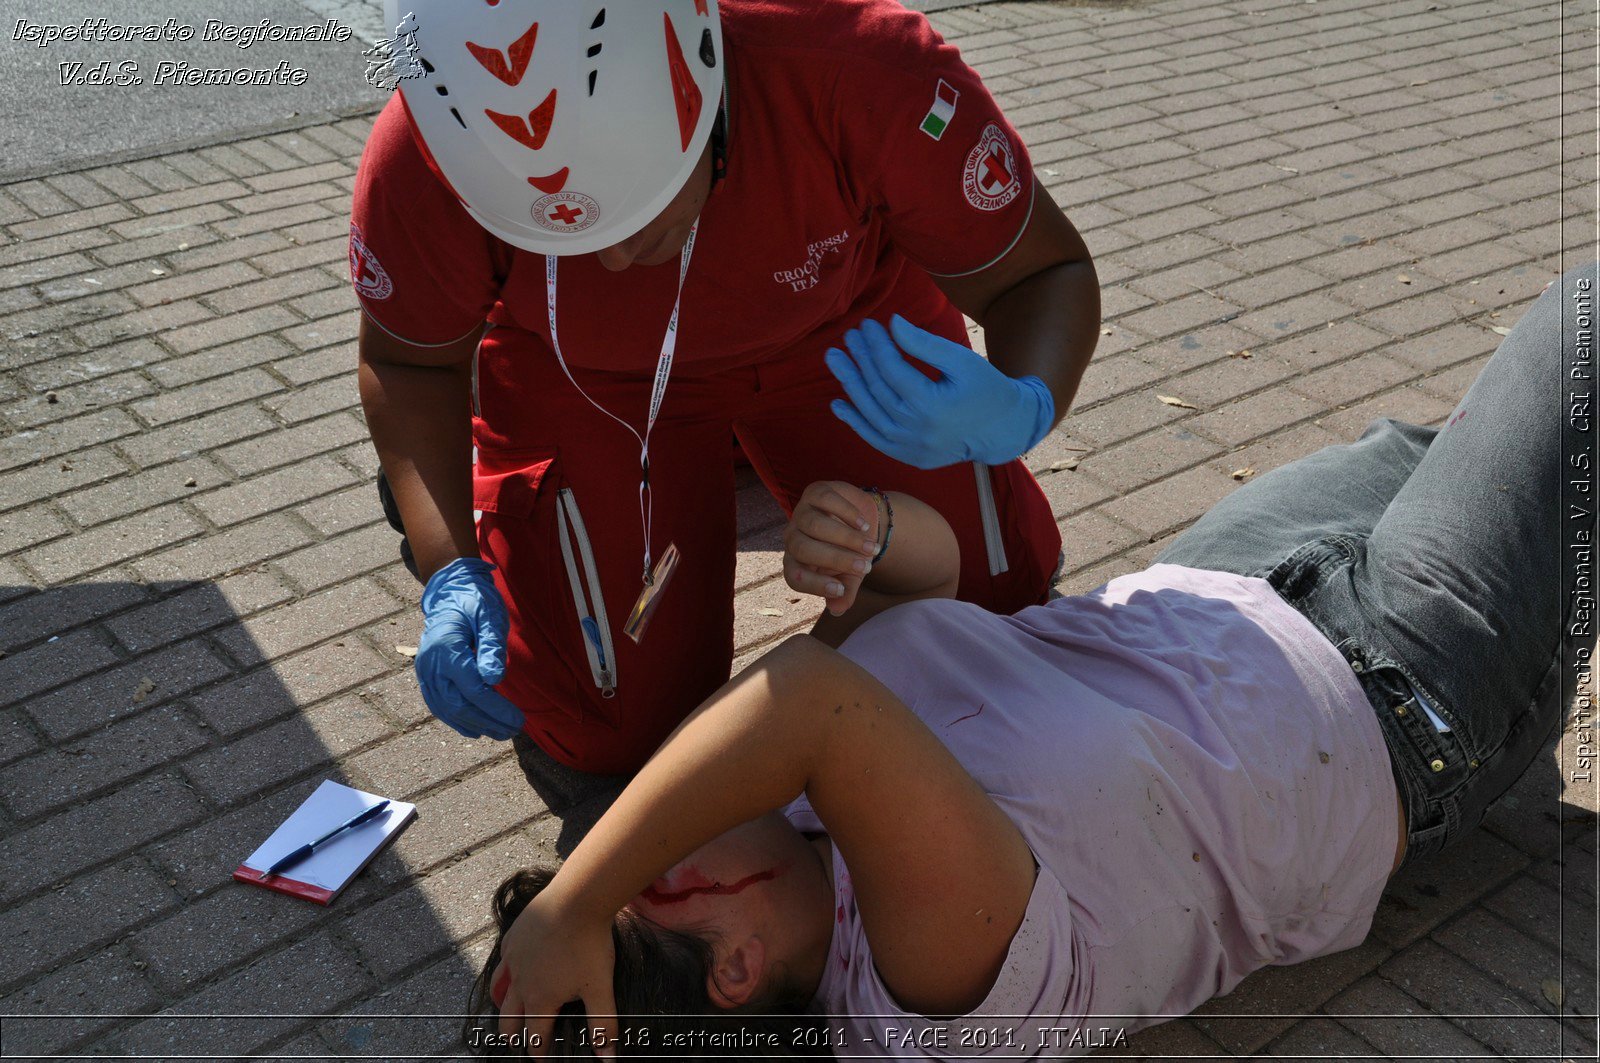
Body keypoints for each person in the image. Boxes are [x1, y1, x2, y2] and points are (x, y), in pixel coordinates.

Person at [464, 263, 1588, 1059]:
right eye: (637, 866)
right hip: (1405, 687)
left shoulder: (810, 817)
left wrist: (869, 534)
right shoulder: (929, 989)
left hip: (1229, 587)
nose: (638, 824)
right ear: (734, 969)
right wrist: (579, 900)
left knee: (1454, 442)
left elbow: (930, 596)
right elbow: (808, 697)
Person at [350, 0, 1101, 775]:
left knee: (990, 620)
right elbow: (408, 361)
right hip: (586, 376)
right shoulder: (425, 143)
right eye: (564, 235)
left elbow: (1045, 272)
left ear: (702, 86)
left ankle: (700, 474)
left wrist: (1025, 401)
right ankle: (484, 491)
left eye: (637, 199)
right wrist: (448, 560)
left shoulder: (858, 67)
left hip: (845, 334)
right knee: (610, 729)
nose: (612, 261)